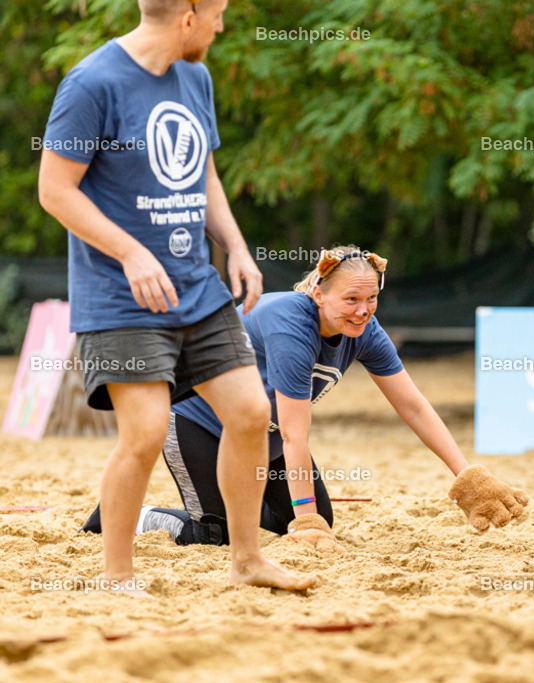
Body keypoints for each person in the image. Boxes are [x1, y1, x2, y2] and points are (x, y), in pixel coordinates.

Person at [38, 0, 312, 593]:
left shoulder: (196, 77)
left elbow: (204, 176)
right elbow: (55, 190)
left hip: (196, 289)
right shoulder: (92, 82)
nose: (222, 25)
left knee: (251, 412)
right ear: (189, 15)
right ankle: (118, 578)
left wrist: (235, 247)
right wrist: (130, 253)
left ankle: (247, 561)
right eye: (218, 14)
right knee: (143, 433)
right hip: (120, 298)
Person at [82, 246, 529, 548]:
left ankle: (250, 510)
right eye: (351, 299)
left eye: (371, 298)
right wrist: (306, 520)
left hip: (261, 433)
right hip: (196, 421)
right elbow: (295, 434)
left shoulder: (365, 330)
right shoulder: (290, 323)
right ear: (318, 292)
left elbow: (413, 405)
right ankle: (131, 516)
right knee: (218, 535)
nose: (363, 310)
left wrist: (467, 475)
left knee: (307, 522)